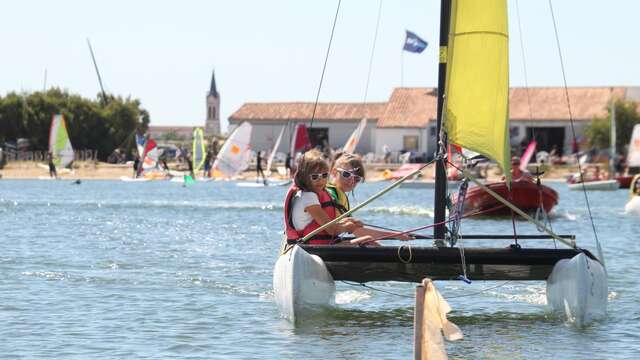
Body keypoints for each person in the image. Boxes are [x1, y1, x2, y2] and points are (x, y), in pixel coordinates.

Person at [284, 149, 373, 245]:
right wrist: (347, 227)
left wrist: (348, 221)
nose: (321, 180)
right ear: (304, 177)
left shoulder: (305, 194)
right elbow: (331, 229)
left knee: (367, 239)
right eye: (315, 177)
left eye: (324, 175)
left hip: (315, 244)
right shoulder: (308, 198)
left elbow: (326, 224)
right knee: (368, 240)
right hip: (313, 247)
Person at [327, 152, 413, 241]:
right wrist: (394, 235)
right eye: (346, 174)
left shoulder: (342, 198)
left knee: (368, 240)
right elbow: (358, 232)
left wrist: (396, 235)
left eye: (356, 179)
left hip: (331, 242)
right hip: (321, 246)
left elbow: (359, 231)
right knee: (369, 241)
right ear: (334, 172)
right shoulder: (329, 194)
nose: (351, 181)